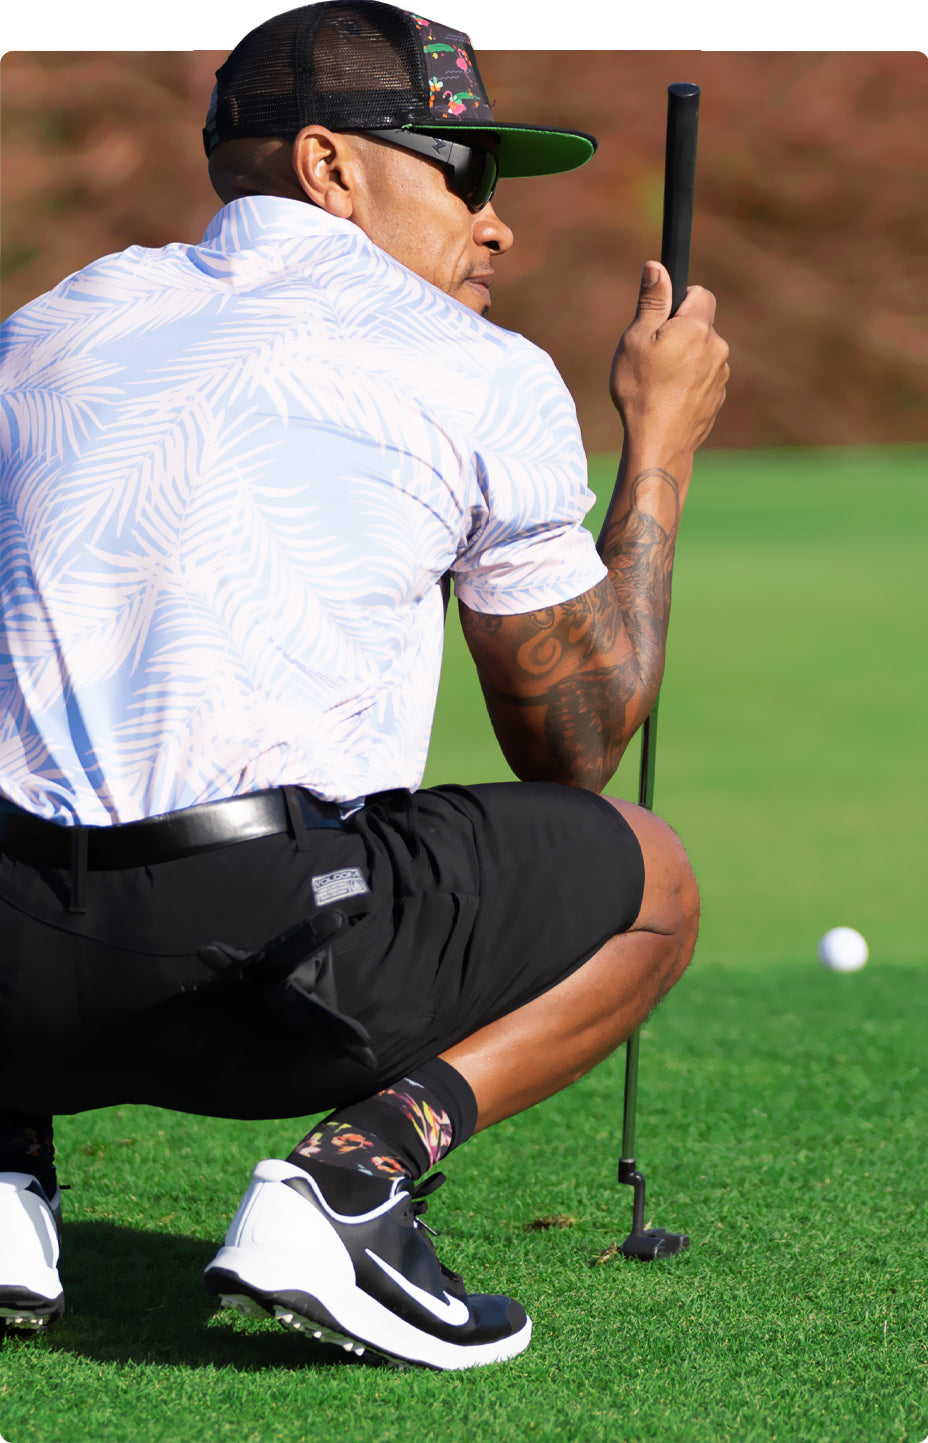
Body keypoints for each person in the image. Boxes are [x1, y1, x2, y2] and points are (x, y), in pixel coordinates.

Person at [0, 1, 729, 1371]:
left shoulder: (53, 319)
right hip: (257, 980)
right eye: (461, 167)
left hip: (10, 975)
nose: (495, 218)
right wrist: (664, 442)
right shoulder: (477, 372)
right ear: (332, 167)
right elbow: (574, 740)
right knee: (647, 875)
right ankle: (348, 1187)